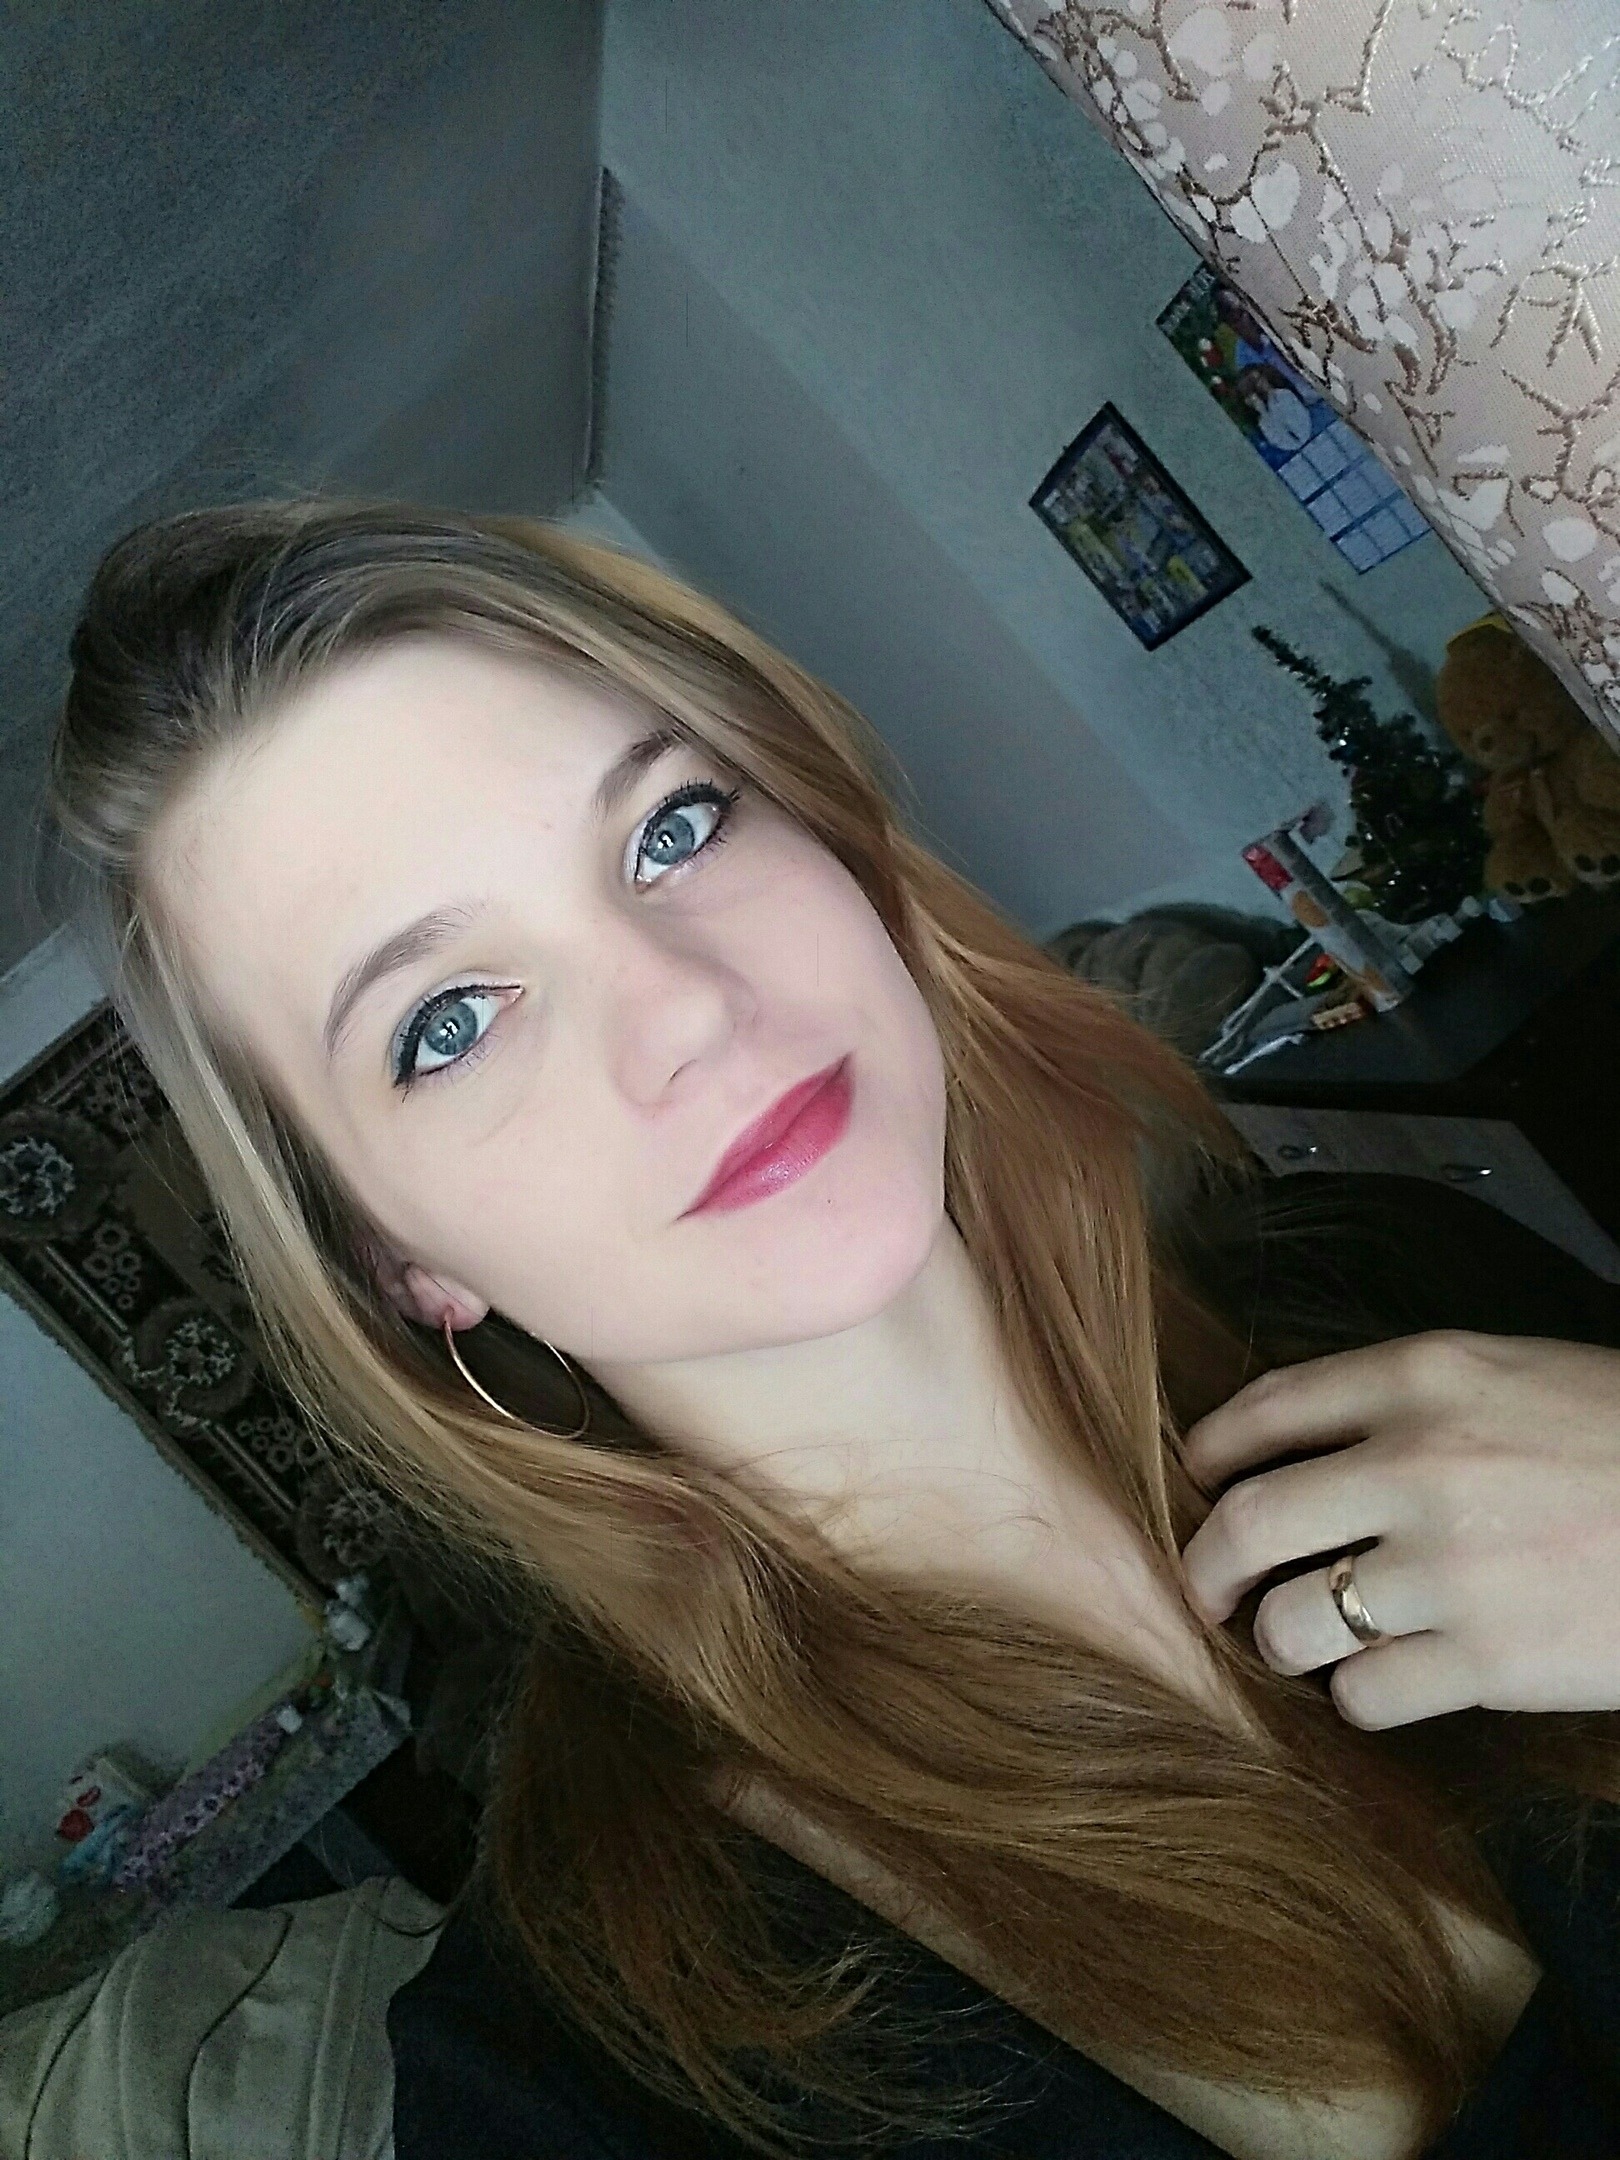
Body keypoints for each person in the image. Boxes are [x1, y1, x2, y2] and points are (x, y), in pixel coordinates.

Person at [44, 496, 1620, 2160]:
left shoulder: (1404, 1280)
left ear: (829, 835)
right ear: (399, 1259)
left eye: (672, 828)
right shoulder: (585, 2083)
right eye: (448, 1022)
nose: (685, 1006)